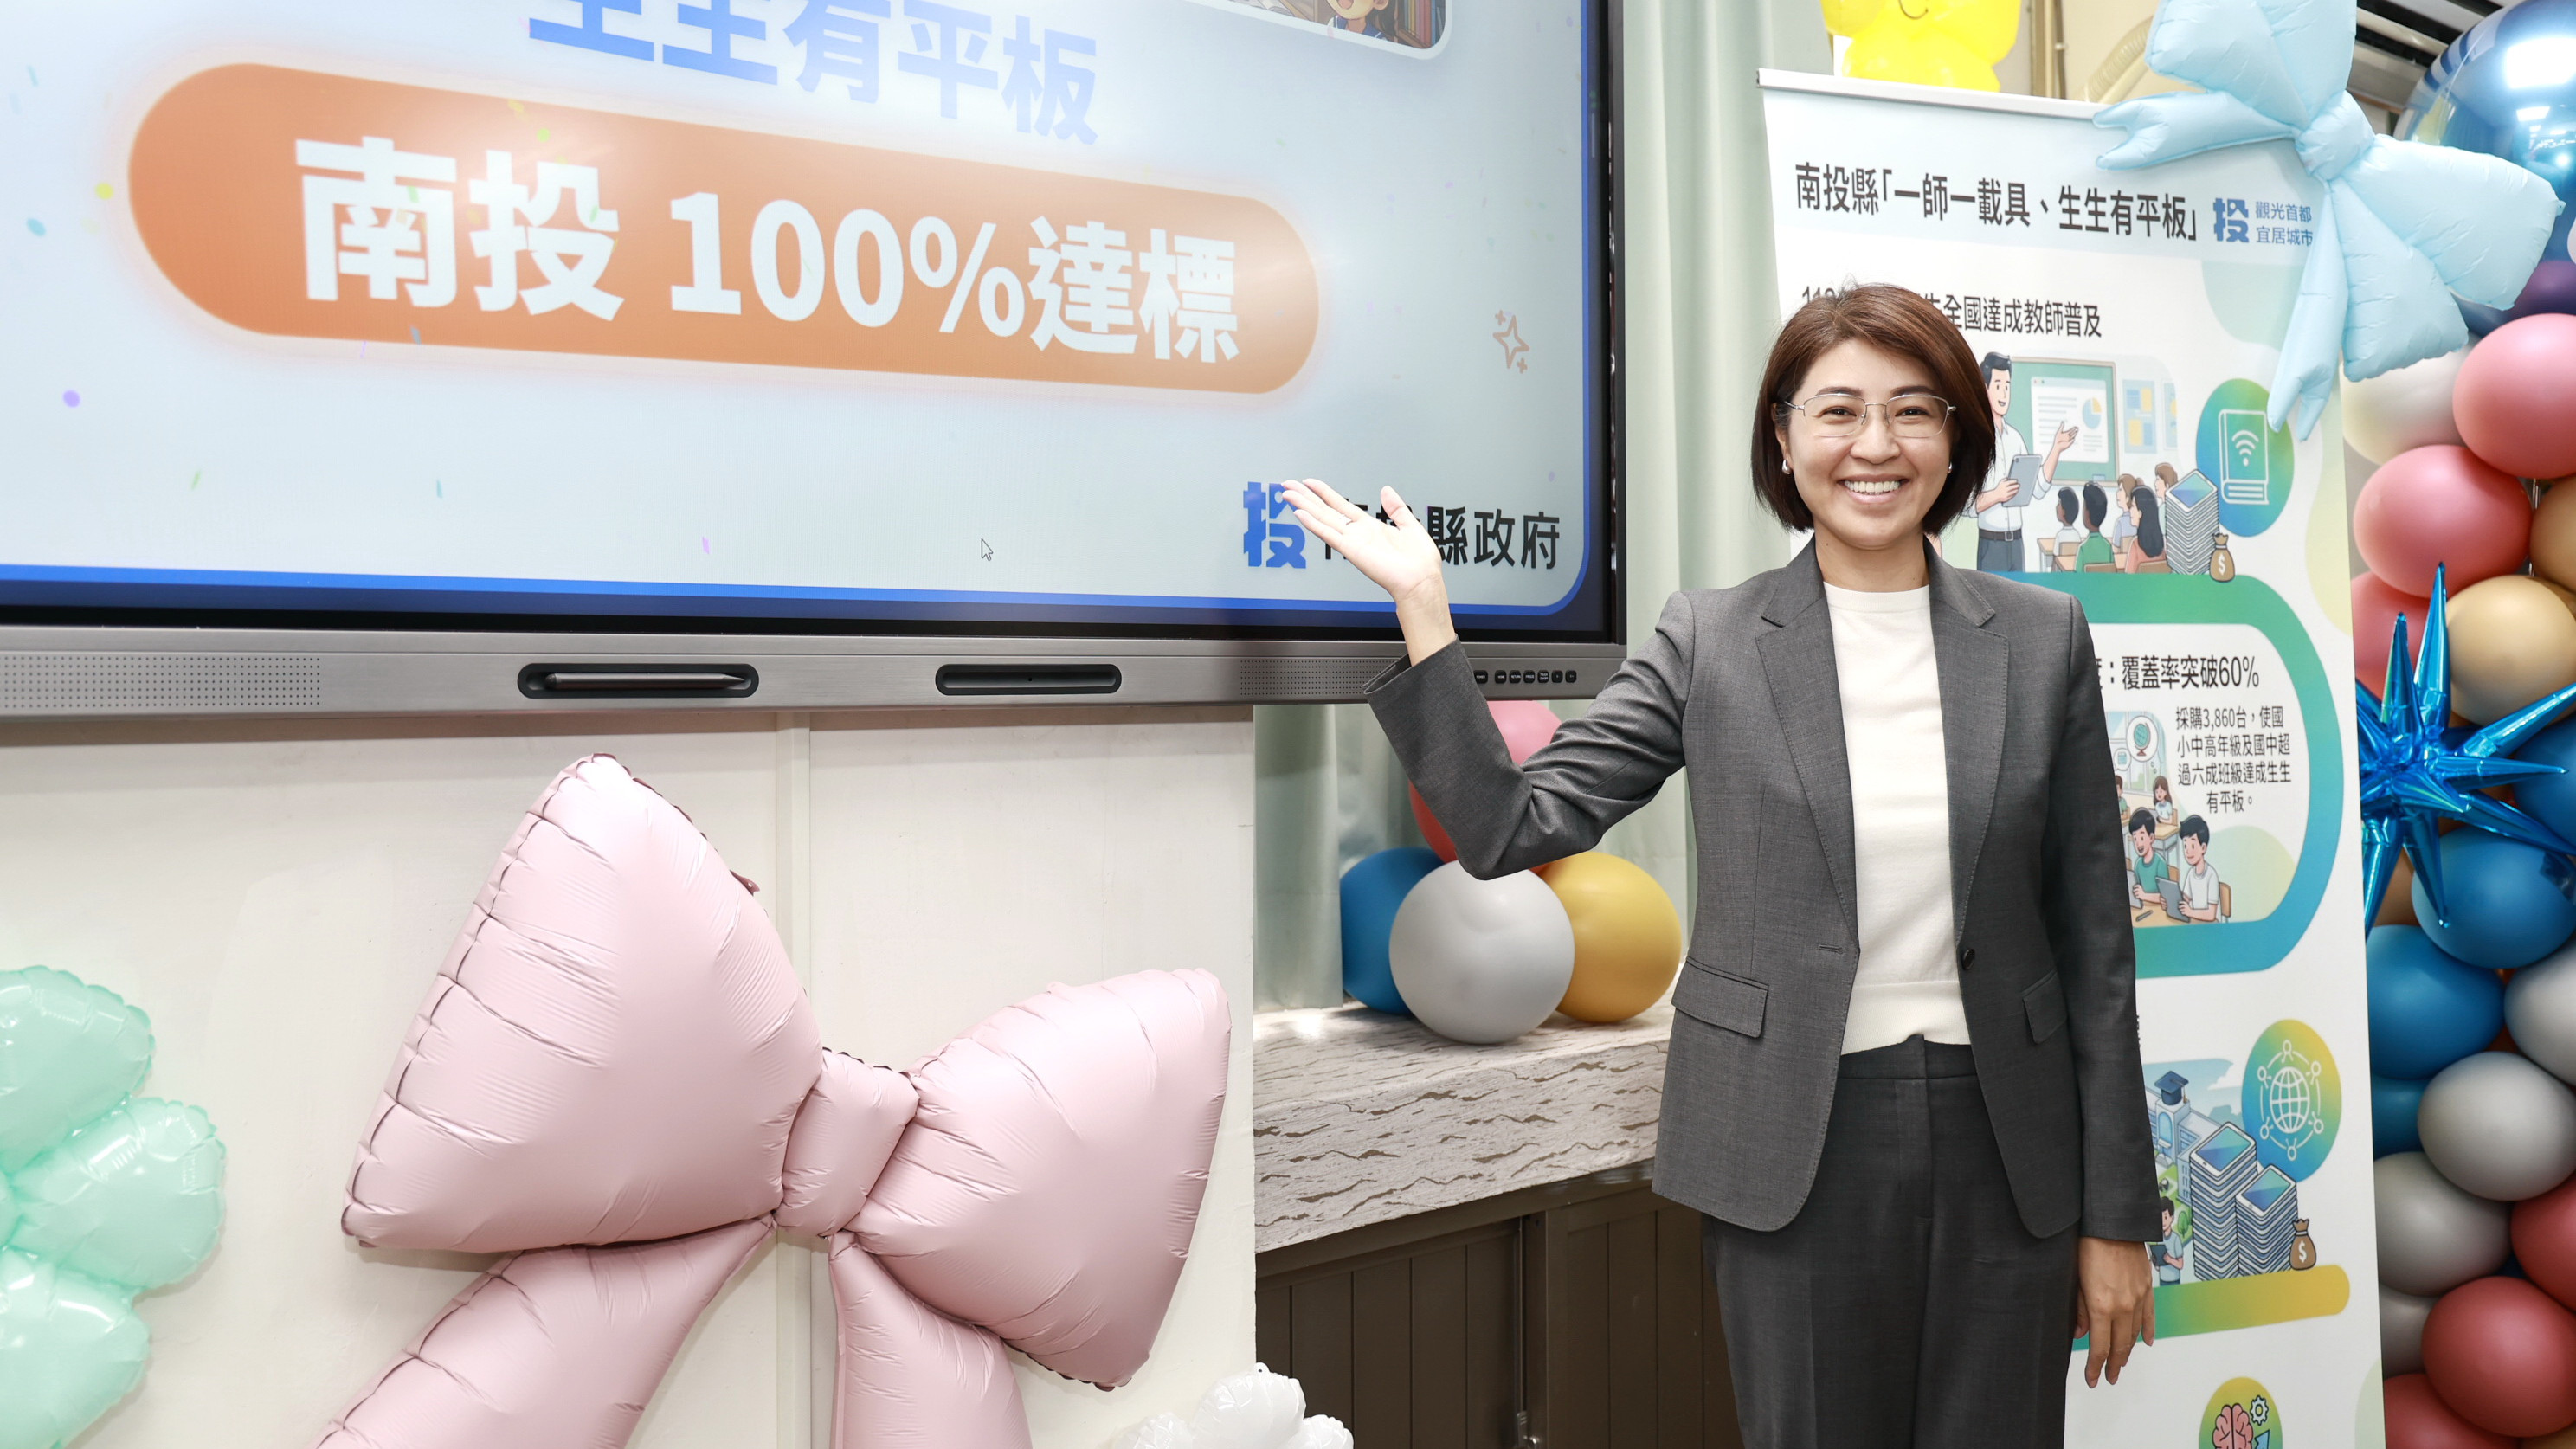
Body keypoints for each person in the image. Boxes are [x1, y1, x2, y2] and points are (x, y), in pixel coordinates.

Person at [1281, 283, 2158, 1449]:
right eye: (1837, 411)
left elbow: (2095, 947)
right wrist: (1426, 611)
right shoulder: (1713, 638)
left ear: (1956, 442)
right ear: (1783, 441)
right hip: (1792, 1132)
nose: (1876, 445)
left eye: (1913, 410)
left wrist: (2116, 1216)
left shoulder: (2043, 639)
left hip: (2010, 1138)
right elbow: (1507, 827)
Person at [1968, 353, 2079, 575]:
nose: (2004, 394)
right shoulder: (1975, 439)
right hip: (1991, 545)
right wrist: (1997, 495)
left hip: (2017, 544)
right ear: (1984, 389)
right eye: (1997, 386)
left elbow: (2037, 488)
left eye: (2007, 386)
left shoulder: (2015, 439)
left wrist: (2056, 449)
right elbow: (1965, 505)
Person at [2176, 815, 2223, 922]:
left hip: (2211, 925)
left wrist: (2190, 912)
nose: (2188, 851)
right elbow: (2186, 898)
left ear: (2203, 848)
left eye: (2192, 846)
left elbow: (2211, 915)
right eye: (2185, 846)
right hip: (2196, 921)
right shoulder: (2191, 873)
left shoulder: (2211, 875)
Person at [2128, 808, 2168, 910]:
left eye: (2141, 838)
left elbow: (2165, 897)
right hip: (2145, 909)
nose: (2138, 843)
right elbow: (2137, 890)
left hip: (2159, 911)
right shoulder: (2138, 864)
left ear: (2151, 838)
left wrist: (2144, 895)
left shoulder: (2160, 863)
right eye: (2135, 839)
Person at [2122, 488, 2167, 573]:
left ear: (2140, 512)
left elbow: (2128, 578)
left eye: (2133, 506)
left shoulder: (2136, 544)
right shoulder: (2161, 544)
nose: (2130, 510)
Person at [2077, 484, 2115, 570]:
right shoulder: (2108, 547)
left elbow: (2077, 577)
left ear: (2087, 513)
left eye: (2084, 508)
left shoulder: (2082, 549)